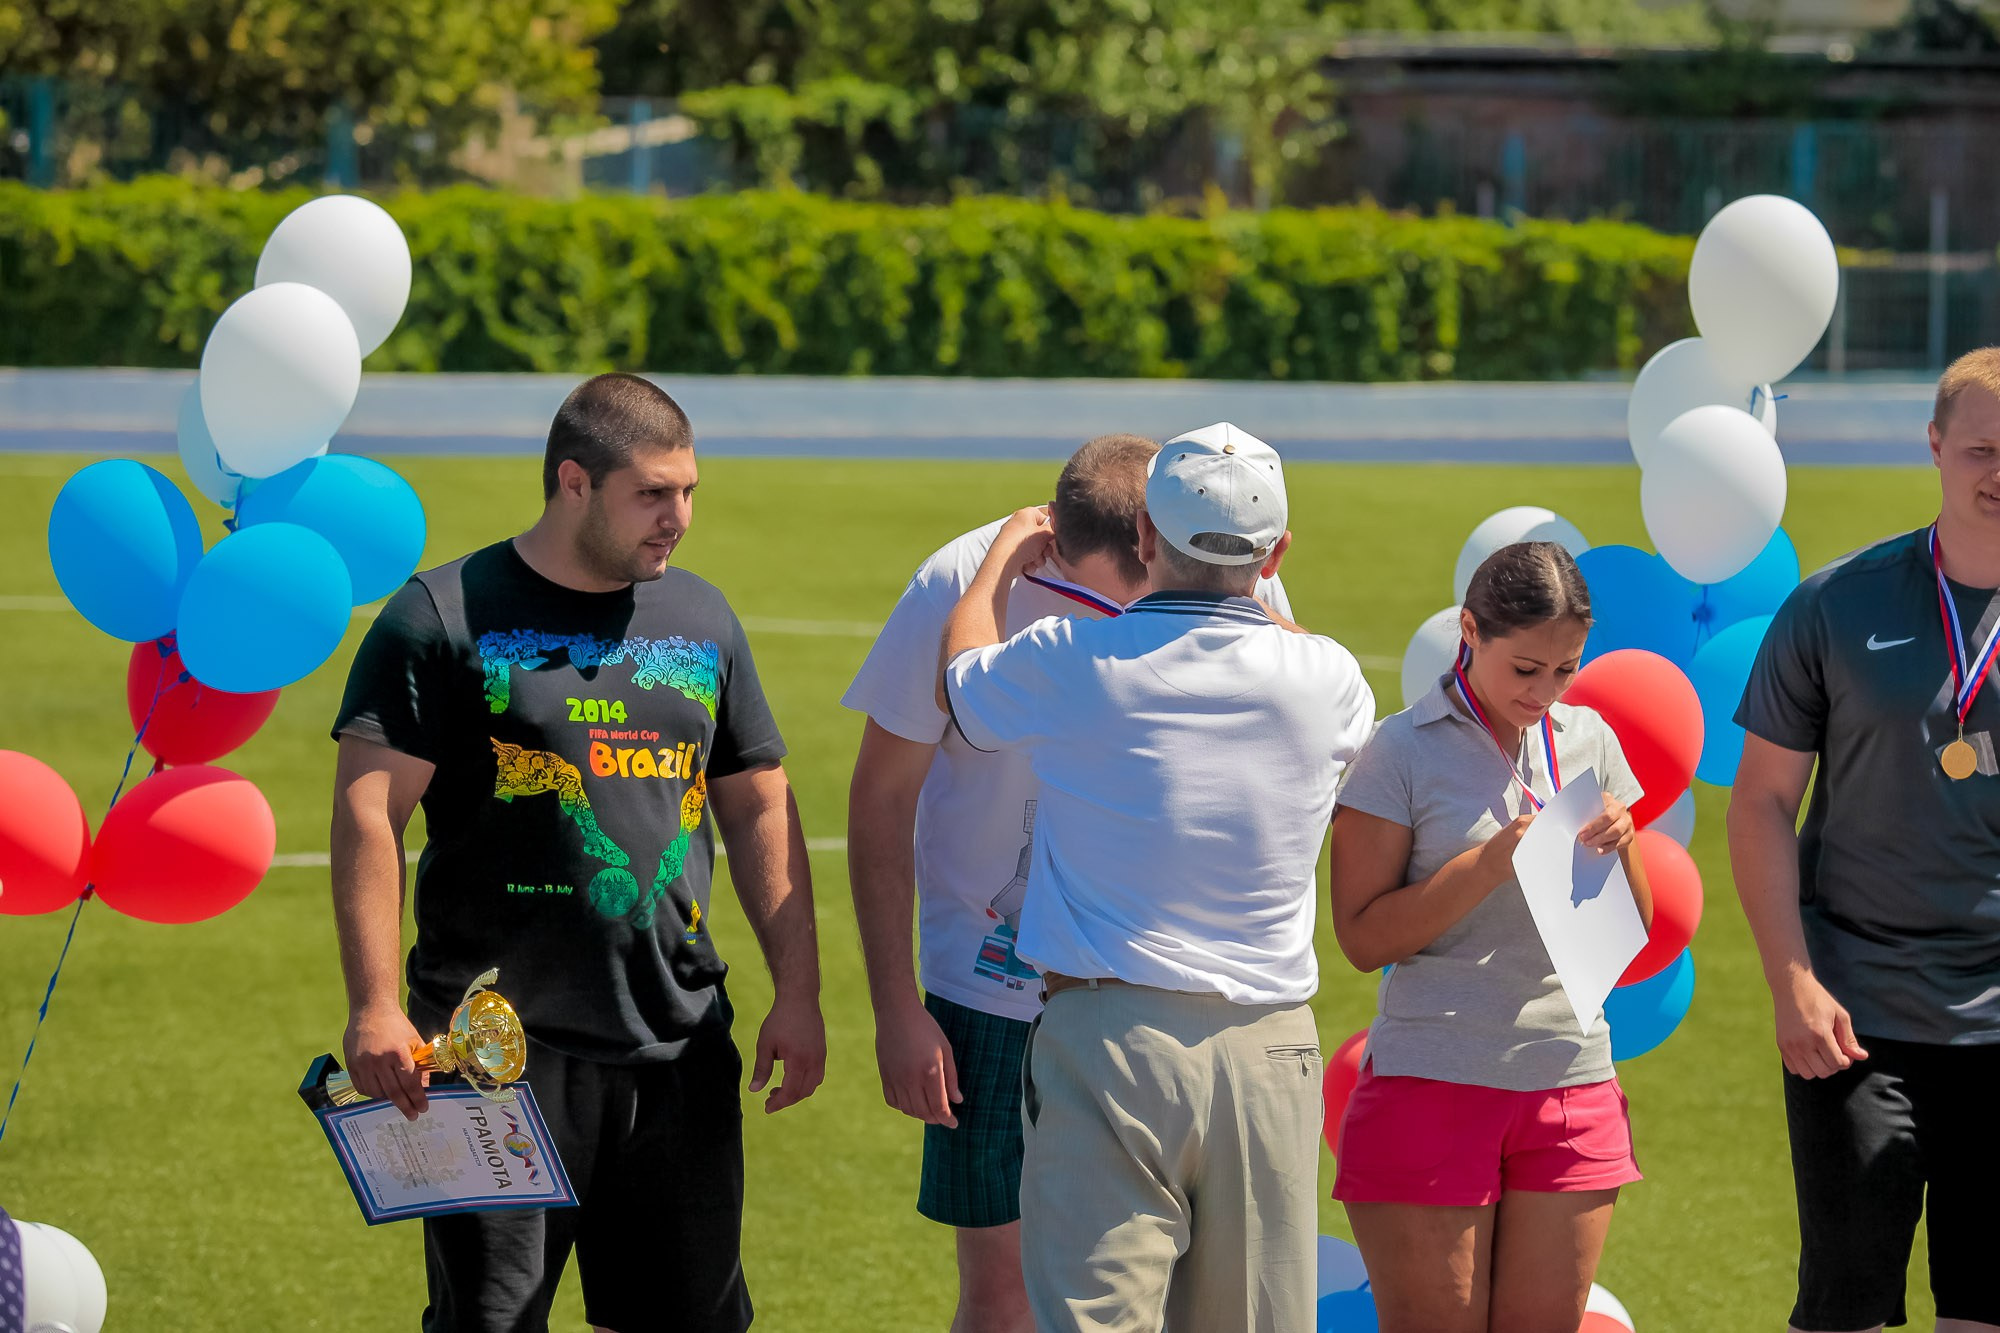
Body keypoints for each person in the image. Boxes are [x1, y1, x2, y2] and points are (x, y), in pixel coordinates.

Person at [330, 373, 826, 1333]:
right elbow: (368, 811)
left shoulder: (704, 618)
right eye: (652, 493)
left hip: (676, 1042)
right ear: (573, 482)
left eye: (688, 492)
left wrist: (797, 992)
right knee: (491, 1324)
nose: (677, 517)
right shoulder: (441, 614)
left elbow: (759, 801)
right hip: (490, 1060)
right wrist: (375, 1004)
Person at [842, 432, 1292, 1333]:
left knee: (1164, 1294)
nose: (1120, 621)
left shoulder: (1223, 569)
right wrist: (897, 1005)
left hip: (1156, 991)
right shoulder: (959, 581)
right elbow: (880, 800)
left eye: (1127, 598)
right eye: (1089, 597)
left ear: (1160, 537)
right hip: (990, 989)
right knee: (1004, 1293)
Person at [938, 423, 1373, 1333]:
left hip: (1108, 1038)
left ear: (1143, 538)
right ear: (1277, 552)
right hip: (1269, 1045)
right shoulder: (1328, 678)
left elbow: (961, 683)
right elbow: (1294, 648)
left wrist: (1001, 561)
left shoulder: (1071, 657)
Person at [1728, 348, 2000, 1333]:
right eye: (1978, 448)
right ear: (1931, 445)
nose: (1995, 471)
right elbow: (1760, 800)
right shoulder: (1835, 603)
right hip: (1852, 1011)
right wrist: (1789, 980)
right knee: (1840, 1313)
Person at [1326, 540, 1652, 1333]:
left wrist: (1626, 834)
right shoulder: (1396, 751)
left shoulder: (1591, 739)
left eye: (1566, 669)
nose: (1545, 691)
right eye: (1525, 668)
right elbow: (1361, 937)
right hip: (1431, 1082)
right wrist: (1485, 865)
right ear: (1469, 631)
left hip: (1570, 1077)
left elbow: (1636, 923)